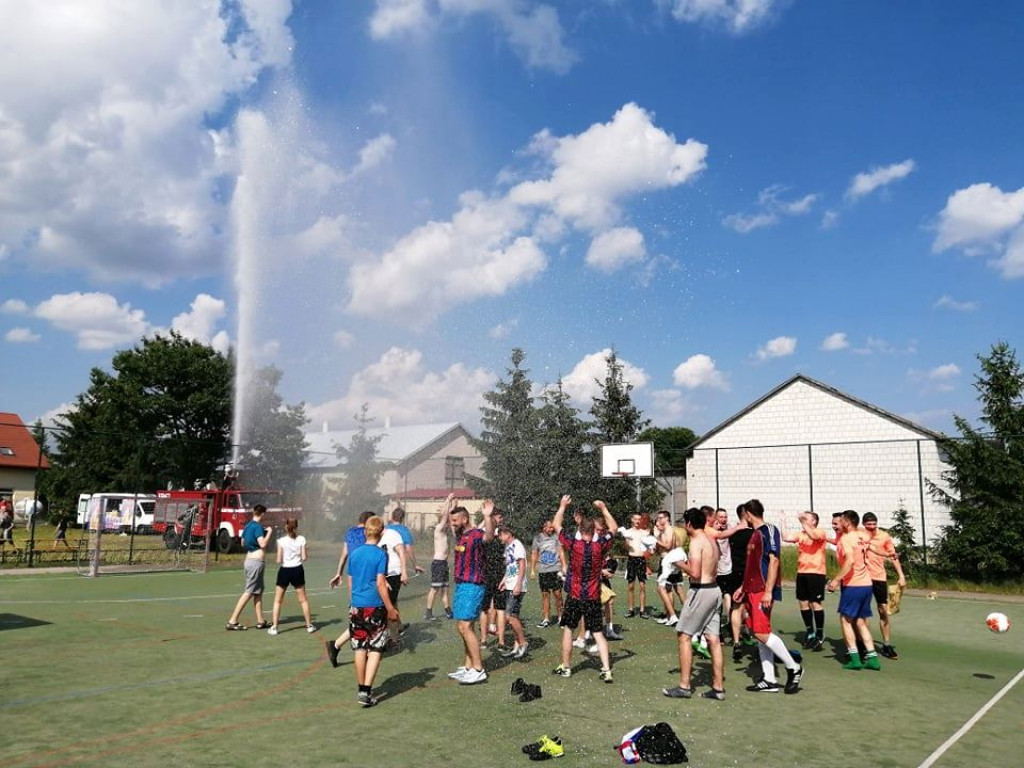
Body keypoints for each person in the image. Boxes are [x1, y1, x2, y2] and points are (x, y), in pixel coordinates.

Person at [733, 499, 803, 694]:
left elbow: (774, 561)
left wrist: (769, 591)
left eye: (743, 515)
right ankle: (769, 679)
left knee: (762, 632)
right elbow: (753, 566)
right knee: (758, 633)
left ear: (748, 513)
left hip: (763, 589)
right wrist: (743, 587)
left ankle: (794, 667)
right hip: (752, 589)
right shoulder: (754, 535)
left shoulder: (768, 530)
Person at [329, 515, 399, 707]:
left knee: (360, 648)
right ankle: (367, 690)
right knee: (376, 648)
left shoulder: (356, 553)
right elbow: (380, 583)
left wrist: (354, 603)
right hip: (375, 606)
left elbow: (350, 581)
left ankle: (362, 689)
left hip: (357, 605)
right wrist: (390, 608)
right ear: (382, 532)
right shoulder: (380, 554)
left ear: (366, 531)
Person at [552, 496, 618, 683]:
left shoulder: (574, 544)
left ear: (581, 530)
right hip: (592, 596)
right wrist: (604, 508)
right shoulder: (600, 545)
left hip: (574, 596)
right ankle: (606, 670)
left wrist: (562, 506)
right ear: (594, 530)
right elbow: (613, 528)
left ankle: (565, 667)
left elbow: (557, 525)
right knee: (598, 633)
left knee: (568, 630)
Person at [663, 507, 725, 700]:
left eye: (685, 523)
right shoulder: (711, 540)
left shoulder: (697, 542)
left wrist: (676, 562)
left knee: (684, 635)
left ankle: (684, 686)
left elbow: (696, 573)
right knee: (713, 639)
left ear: (689, 524)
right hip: (715, 590)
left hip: (702, 591)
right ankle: (718, 688)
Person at [447, 500, 496, 685]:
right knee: (463, 627)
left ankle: (478, 669)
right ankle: (468, 666)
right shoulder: (461, 536)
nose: (452, 524)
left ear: (465, 519)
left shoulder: (476, 534)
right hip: (461, 585)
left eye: (455, 520)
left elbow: (489, 536)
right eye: (451, 520)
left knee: (466, 627)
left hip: (473, 585)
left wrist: (487, 516)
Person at [828, 509, 881, 671]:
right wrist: (888, 553)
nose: (839, 523)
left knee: (846, 620)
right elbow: (872, 548)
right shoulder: (864, 536)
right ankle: (872, 658)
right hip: (866, 584)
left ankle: (855, 658)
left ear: (847, 522)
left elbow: (850, 560)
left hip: (854, 584)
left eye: (841, 520)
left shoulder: (846, 539)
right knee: (860, 622)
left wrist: (836, 580)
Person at [326, 510, 375, 654]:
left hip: (352, 576)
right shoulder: (367, 533)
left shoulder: (350, 532)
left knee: (359, 612)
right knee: (366, 614)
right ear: (368, 522)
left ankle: (337, 646)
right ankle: (340, 646)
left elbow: (344, 554)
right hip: (365, 576)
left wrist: (338, 572)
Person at [862, 512, 907, 659]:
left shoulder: (884, 536)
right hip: (862, 578)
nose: (872, 527)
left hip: (879, 577)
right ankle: (865, 646)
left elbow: (893, 557)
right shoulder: (859, 535)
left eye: (874, 524)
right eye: (869, 525)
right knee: (863, 612)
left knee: (883, 610)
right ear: (864, 525)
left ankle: (886, 645)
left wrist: (901, 576)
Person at [782, 511, 828, 651]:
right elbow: (785, 538)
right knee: (803, 603)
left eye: (806, 518)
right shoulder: (801, 533)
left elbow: (813, 536)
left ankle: (820, 633)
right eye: (803, 518)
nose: (803, 520)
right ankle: (810, 632)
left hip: (816, 573)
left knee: (815, 603)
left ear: (814, 521)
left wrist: (802, 521)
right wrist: (783, 521)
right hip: (802, 572)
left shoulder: (819, 532)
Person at [226, 505, 274, 630]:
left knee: (257, 592)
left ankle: (260, 620)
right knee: (249, 592)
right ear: (262, 514)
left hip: (249, 560)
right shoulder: (257, 527)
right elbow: (263, 544)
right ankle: (232, 620)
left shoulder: (248, 526)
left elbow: (243, 542)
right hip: (255, 562)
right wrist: (269, 532)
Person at [267, 517, 315, 635]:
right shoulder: (301, 539)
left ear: (286, 526)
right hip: (298, 570)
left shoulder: (281, 541)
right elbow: (304, 558)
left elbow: (278, 560)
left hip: (285, 570)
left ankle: (274, 627)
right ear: (296, 527)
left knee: (278, 600)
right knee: (303, 600)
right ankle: (309, 625)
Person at [726, 504, 754, 662]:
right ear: (747, 515)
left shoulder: (732, 533)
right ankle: (758, 637)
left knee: (736, 608)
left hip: (734, 572)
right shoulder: (754, 533)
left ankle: (737, 641)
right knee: (753, 606)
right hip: (749, 573)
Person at [497, 525, 529, 658]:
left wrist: (518, 584)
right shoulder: (508, 547)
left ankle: (523, 643)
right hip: (510, 584)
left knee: (509, 616)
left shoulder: (517, 545)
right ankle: (516, 647)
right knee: (513, 617)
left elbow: (522, 564)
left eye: (501, 535)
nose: (500, 538)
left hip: (516, 586)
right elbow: (511, 566)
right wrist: (505, 580)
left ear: (508, 534)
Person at [653, 511, 687, 626]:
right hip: (672, 560)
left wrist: (655, 540)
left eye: (661, 518)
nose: (659, 520)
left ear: (666, 518)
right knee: (675, 588)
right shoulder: (665, 530)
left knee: (662, 588)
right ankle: (672, 615)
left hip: (668, 562)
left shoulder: (668, 529)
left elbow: (667, 546)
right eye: (658, 518)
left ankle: (672, 616)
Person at [530, 518, 566, 628]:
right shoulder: (538, 538)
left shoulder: (557, 537)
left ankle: (561, 618)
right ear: (544, 528)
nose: (551, 529)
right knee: (545, 595)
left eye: (552, 527)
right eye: (549, 527)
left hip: (555, 569)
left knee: (558, 594)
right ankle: (546, 619)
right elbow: (534, 553)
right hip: (543, 570)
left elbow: (561, 551)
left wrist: (564, 565)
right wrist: (532, 569)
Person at [378, 517, 408, 646]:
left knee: (388, 605)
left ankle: (394, 638)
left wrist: (404, 572)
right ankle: (397, 628)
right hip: (382, 575)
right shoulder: (375, 537)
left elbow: (401, 551)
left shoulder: (392, 534)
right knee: (390, 603)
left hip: (393, 574)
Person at [425, 494, 455, 621]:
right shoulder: (438, 529)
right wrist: (448, 499)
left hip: (444, 564)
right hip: (438, 563)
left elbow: (449, 515)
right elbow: (445, 516)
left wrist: (453, 505)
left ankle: (448, 611)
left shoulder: (444, 530)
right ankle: (428, 612)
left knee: (445, 589)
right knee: (434, 589)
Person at [480, 508, 506, 647]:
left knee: (500, 609)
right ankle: (483, 639)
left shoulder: (502, 534)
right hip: (486, 575)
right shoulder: (485, 534)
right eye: (499, 517)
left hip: (499, 575)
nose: (500, 520)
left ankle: (501, 641)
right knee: (484, 608)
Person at [619, 513, 652, 618]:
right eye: (635, 519)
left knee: (642, 586)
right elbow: (625, 547)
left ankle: (642, 610)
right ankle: (631, 609)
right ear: (632, 520)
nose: (637, 521)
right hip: (631, 559)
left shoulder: (644, 533)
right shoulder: (627, 532)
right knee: (631, 586)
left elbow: (649, 547)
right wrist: (626, 542)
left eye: (639, 519)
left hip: (641, 559)